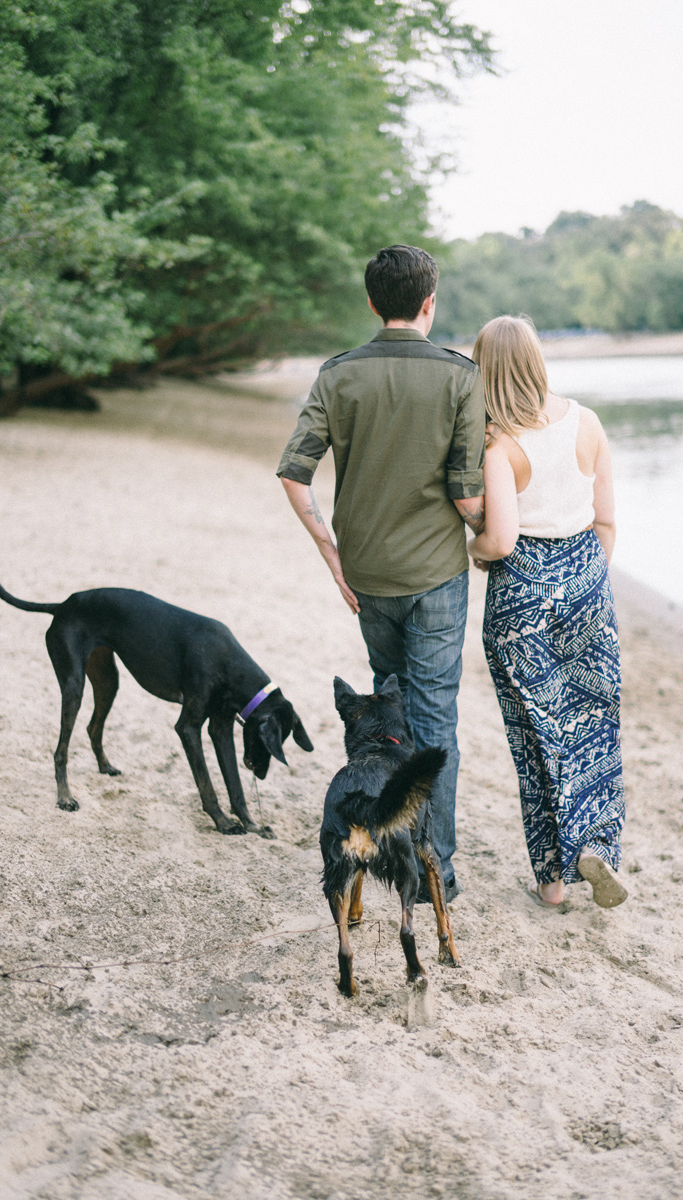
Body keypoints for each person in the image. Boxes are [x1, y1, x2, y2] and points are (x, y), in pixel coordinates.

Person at [276, 245, 486, 900]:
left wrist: (330, 553)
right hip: (437, 574)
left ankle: (392, 849)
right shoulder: (460, 376)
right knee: (434, 719)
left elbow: (294, 471)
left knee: (388, 715)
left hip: (367, 573)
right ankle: (435, 872)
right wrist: (498, 536)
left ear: (372, 303)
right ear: (430, 303)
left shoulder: (338, 375)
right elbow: (465, 494)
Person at [467, 315, 627, 909]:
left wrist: (475, 551)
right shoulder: (586, 423)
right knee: (594, 724)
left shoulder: (499, 443)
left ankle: (552, 883)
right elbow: (606, 523)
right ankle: (599, 849)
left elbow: (502, 539)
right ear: (536, 361)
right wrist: (583, 581)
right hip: (587, 581)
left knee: (536, 733)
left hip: (521, 599)